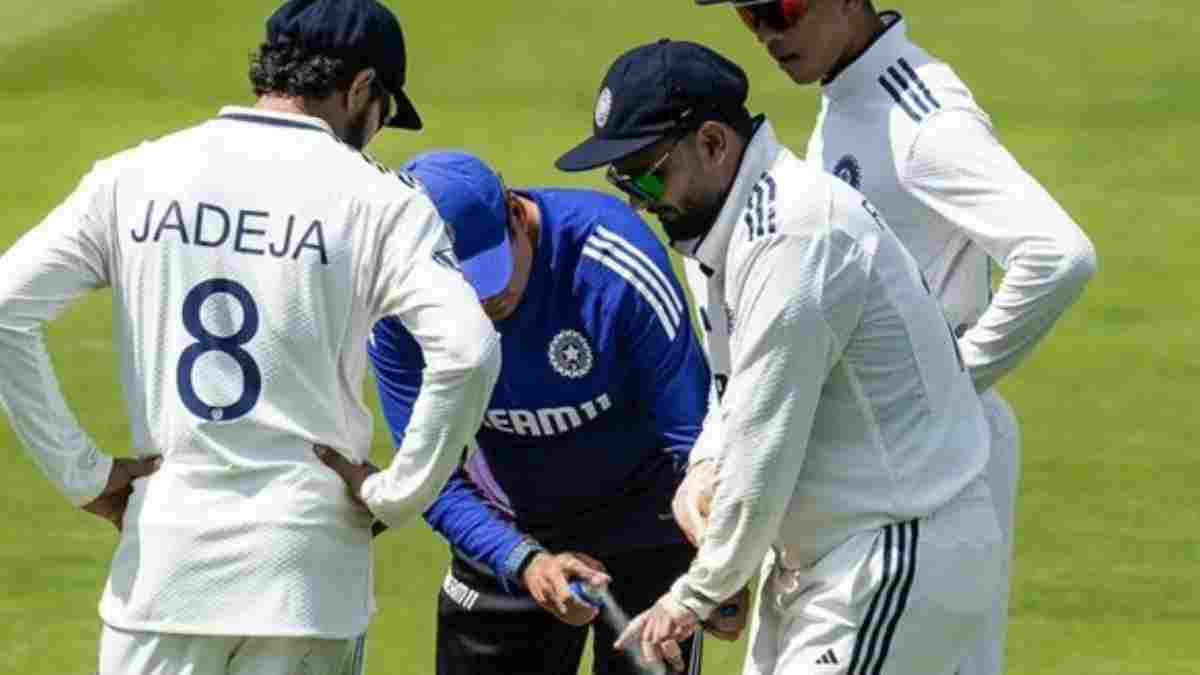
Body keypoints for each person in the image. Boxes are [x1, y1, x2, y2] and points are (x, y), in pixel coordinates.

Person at [0, 1, 501, 673]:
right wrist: (398, 492)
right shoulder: (382, 203)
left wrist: (83, 474)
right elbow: (468, 349)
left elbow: (6, 307)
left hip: (165, 566)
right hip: (306, 577)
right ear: (360, 90)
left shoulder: (135, 175)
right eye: (384, 110)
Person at [556, 39, 1004, 675]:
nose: (637, 199)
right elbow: (734, 392)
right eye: (620, 180)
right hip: (825, 561)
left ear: (713, 143)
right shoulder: (724, 233)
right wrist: (706, 471)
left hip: (892, 549)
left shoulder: (793, 235)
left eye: (647, 173)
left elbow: (768, 429)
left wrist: (697, 592)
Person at [693, 3, 1099, 673]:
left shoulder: (920, 121)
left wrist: (945, 381)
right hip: (879, 466)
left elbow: (1058, 255)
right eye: (750, 13)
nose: (769, 31)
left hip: (933, 467)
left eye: (784, 7)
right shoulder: (849, 94)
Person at [366, 150, 718, 674]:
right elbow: (429, 477)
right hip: (504, 523)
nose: (484, 303)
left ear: (514, 213)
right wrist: (523, 561)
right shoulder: (396, 310)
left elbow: (697, 441)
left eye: (489, 273)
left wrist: (718, 571)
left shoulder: (613, 260)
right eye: (458, 291)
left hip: (649, 522)